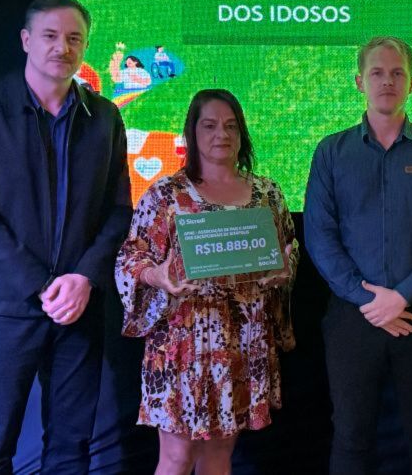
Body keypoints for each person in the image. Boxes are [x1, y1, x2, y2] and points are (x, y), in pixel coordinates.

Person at [0, 0, 131, 473]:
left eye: (74, 38)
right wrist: (44, 285)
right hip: (3, 309)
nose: (62, 48)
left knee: (71, 449)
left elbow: (117, 212)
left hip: (79, 306)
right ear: (26, 40)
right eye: (50, 35)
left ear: (85, 47)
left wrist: (84, 278)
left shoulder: (105, 118)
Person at [304, 36, 412, 474]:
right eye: (377, 72)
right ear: (360, 81)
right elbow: (320, 236)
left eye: (397, 73)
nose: (387, 81)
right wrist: (371, 301)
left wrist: (402, 297)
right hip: (352, 319)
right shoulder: (331, 152)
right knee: (351, 440)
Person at [116, 89, 298, 475]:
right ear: (192, 132)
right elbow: (131, 258)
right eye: (210, 125)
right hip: (183, 344)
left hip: (243, 340)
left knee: (218, 459)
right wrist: (158, 276)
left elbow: (287, 250)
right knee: (177, 458)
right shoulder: (165, 196)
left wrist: (284, 268)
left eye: (231, 126)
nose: (222, 134)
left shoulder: (267, 194)